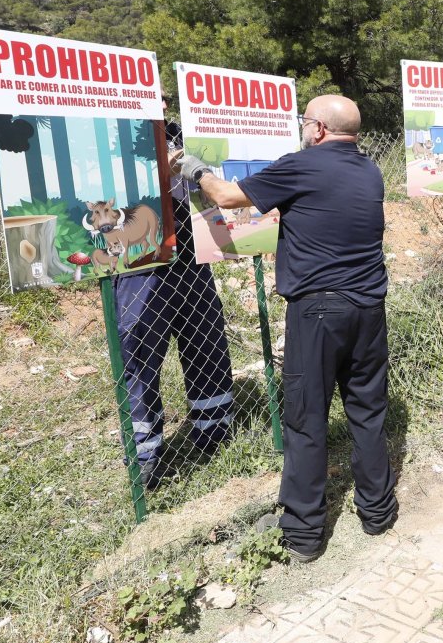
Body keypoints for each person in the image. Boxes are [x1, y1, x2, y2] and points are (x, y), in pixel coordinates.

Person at [172, 95, 397, 561]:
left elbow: (228, 197)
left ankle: (303, 533)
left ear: (317, 129)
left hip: (318, 313)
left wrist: (193, 168)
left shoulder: (303, 165)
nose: (300, 128)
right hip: (369, 310)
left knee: (306, 419)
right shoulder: (370, 170)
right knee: (369, 412)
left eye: (303, 121)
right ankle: (378, 512)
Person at [114, 121, 236, 491]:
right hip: (142, 262)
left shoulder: (181, 133)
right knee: (138, 354)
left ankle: (215, 433)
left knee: (207, 344)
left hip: (192, 261)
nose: (160, 103)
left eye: (162, 96)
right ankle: (145, 454)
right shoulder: (118, 136)